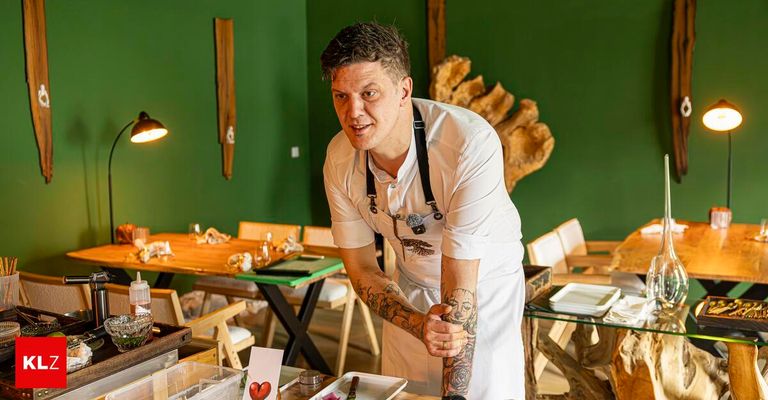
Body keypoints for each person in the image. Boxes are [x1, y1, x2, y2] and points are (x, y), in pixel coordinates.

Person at [321, 22, 525, 400]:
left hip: (483, 289)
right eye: (341, 97)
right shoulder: (339, 160)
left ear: (404, 91)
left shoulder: (467, 144)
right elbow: (363, 268)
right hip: (408, 288)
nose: (354, 113)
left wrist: (454, 395)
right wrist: (417, 324)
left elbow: (459, 284)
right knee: (404, 394)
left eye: (369, 93)